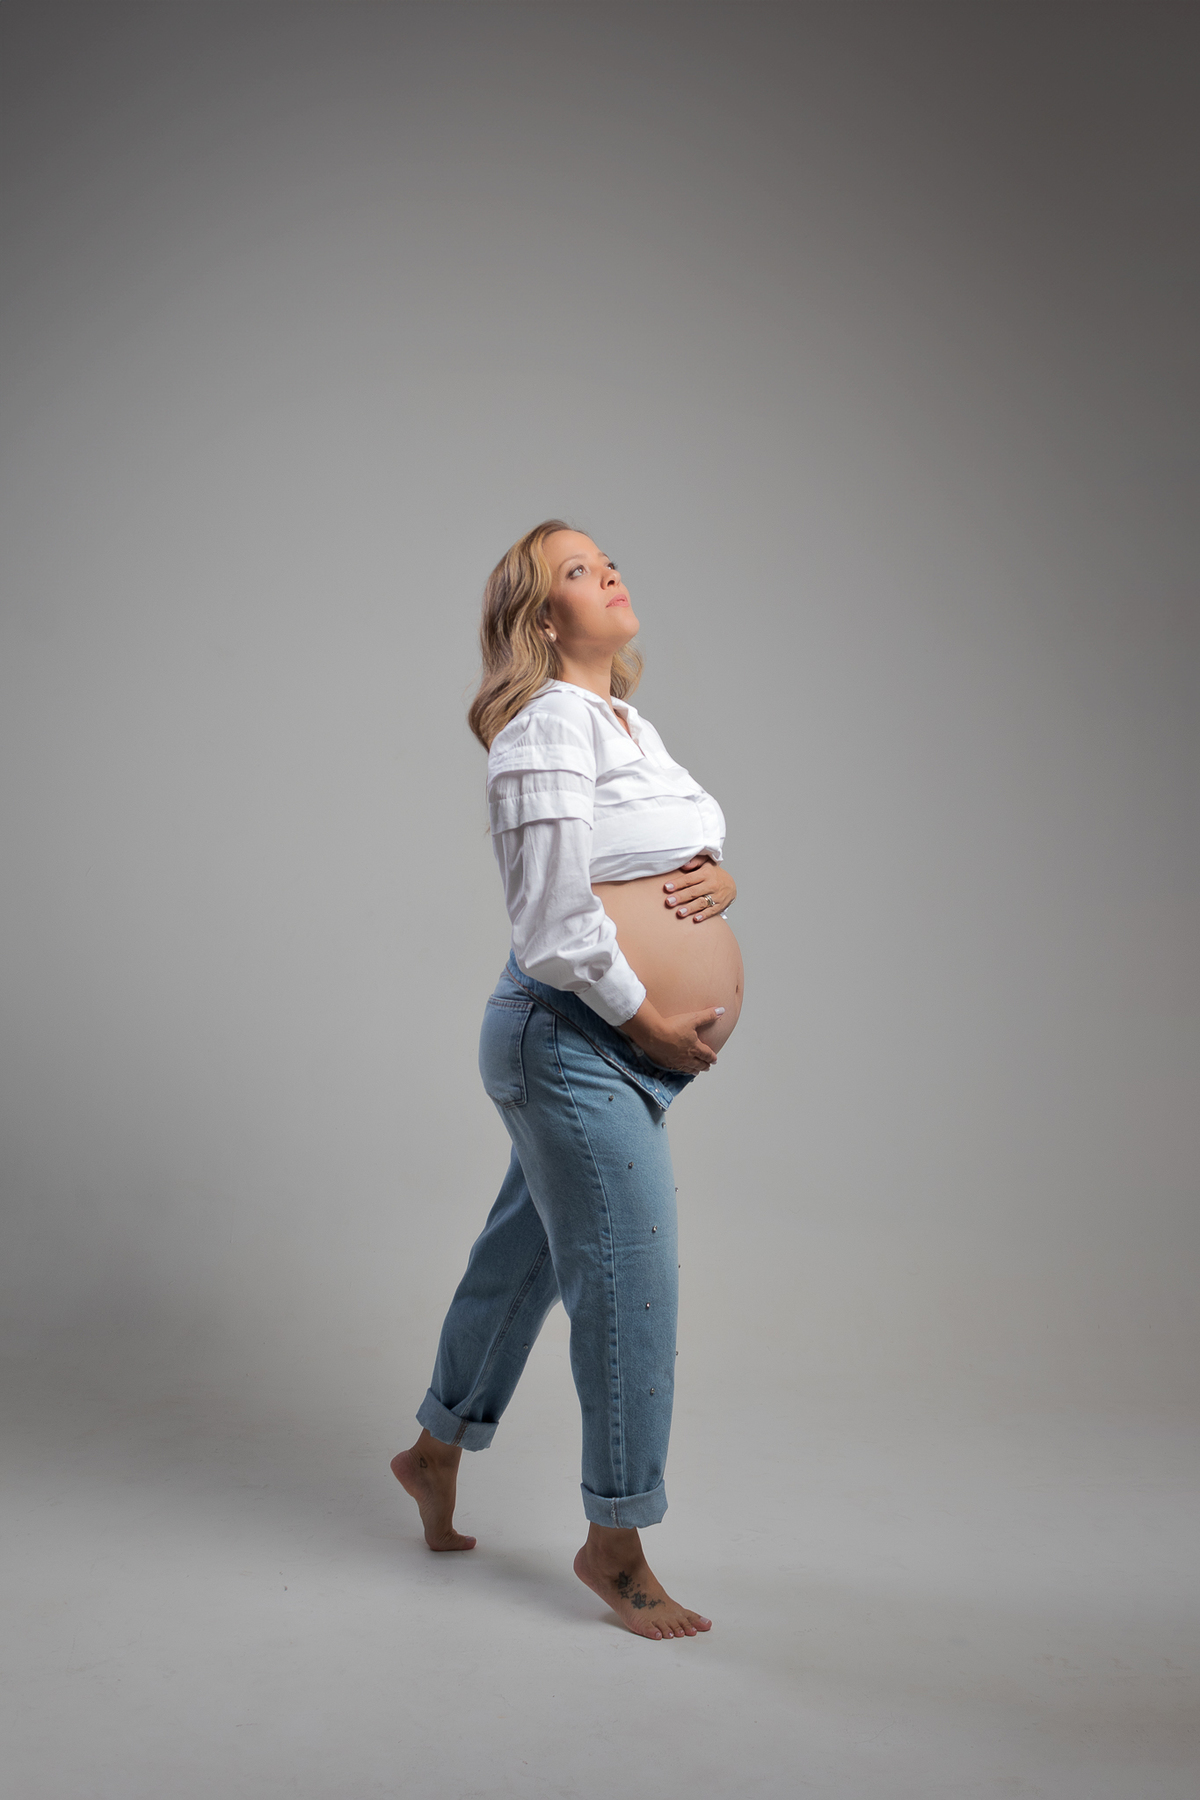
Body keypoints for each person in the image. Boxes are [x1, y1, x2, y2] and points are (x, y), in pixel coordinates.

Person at [391, 520, 743, 1641]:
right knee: (634, 1280)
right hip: (576, 1040)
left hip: (604, 1045)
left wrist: (716, 881)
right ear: (544, 617)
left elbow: (664, 850)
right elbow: (551, 925)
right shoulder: (544, 728)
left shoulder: (624, 722)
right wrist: (648, 1022)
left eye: (610, 559)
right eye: (581, 572)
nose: (611, 574)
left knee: (523, 1257)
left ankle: (432, 1451)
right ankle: (617, 1544)